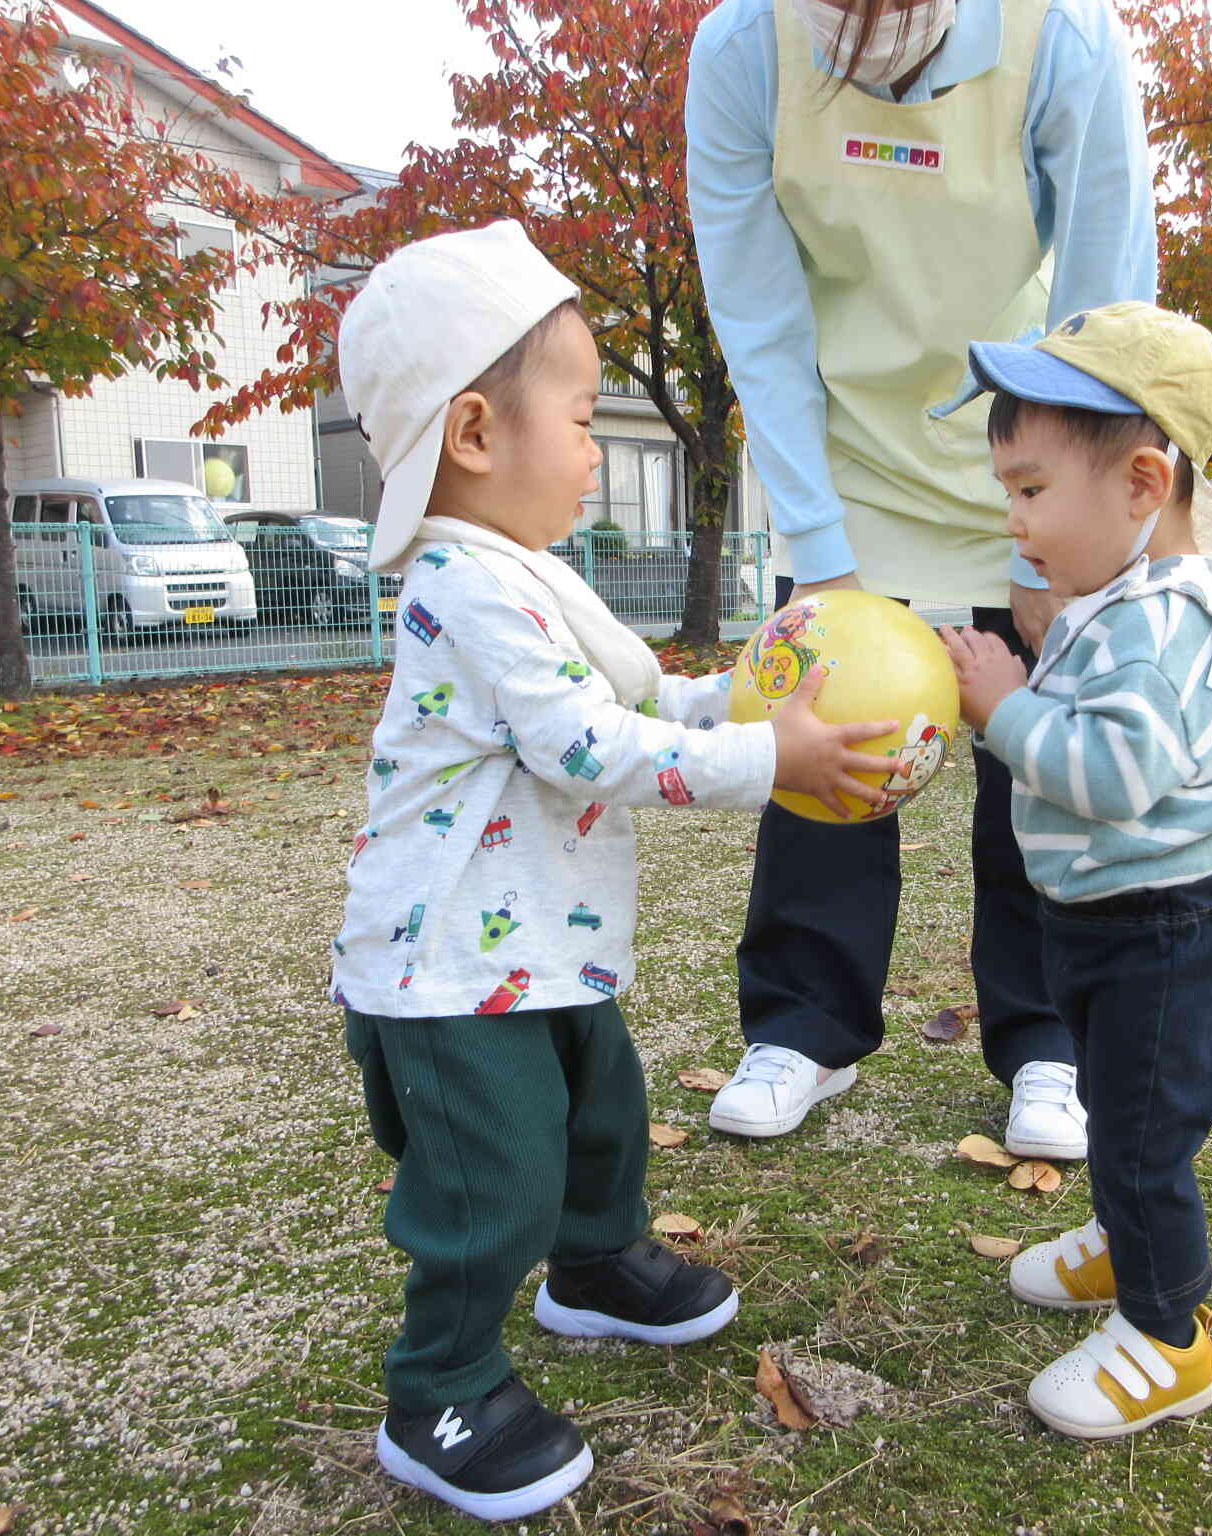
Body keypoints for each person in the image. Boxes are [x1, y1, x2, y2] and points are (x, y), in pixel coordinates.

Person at [331, 223, 898, 1521]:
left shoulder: (524, 576)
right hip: (447, 972)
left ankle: (591, 1267)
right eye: (585, 419)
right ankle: (439, 1389)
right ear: (476, 433)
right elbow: (588, 745)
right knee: (492, 1179)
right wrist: (772, 756)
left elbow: (632, 700)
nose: (597, 450)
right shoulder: (465, 588)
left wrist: (746, 699)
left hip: (536, 946)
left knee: (601, 1114)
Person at [687, 0, 1160, 1156]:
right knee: (821, 748)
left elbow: (1104, 310)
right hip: (840, 453)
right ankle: (804, 1026)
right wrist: (822, 556)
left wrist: (1053, 535)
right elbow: (758, 319)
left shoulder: (1066, 40)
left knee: (1039, 767)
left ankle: (1050, 1042)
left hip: (1025, 442)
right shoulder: (741, 50)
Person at [937, 301, 1212, 1440]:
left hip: (1165, 933)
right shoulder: (1120, 602)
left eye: (1031, 489)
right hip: (1107, 920)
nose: (1015, 520)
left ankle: (1167, 1339)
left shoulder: (1164, 622)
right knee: (1112, 1106)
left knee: (1139, 1139)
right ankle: (1127, 1247)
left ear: (1140, 484)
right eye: (1009, 491)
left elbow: (1117, 774)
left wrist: (1004, 707)